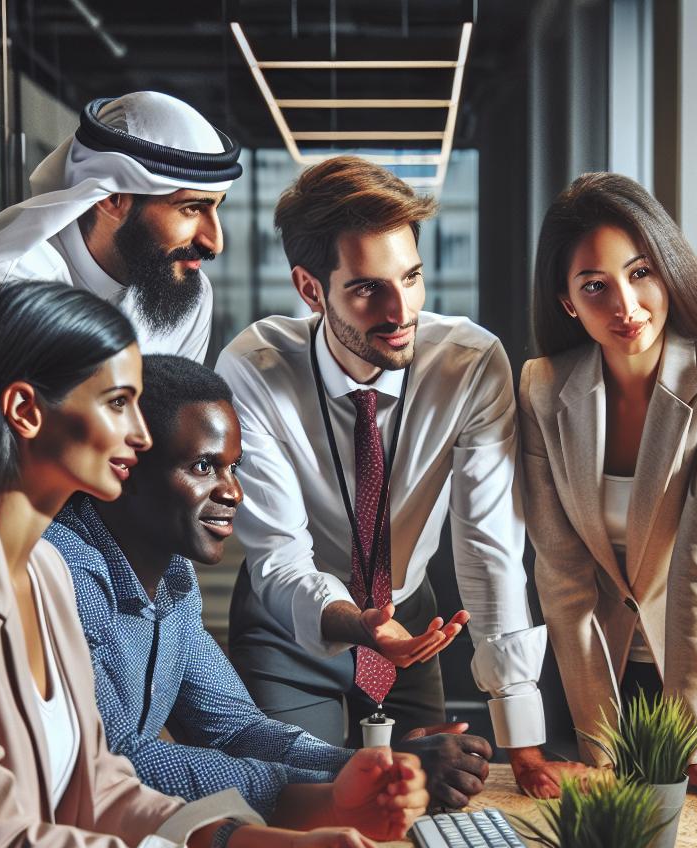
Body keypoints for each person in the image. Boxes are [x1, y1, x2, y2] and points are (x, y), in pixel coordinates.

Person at [0, 281, 426, 848]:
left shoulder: (45, 579)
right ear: (26, 410)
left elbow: (97, 785)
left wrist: (268, 841)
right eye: (118, 403)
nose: (143, 436)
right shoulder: (50, 574)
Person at [216, 156, 587, 806]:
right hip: (291, 629)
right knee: (301, 799)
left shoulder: (469, 365)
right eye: (367, 290)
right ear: (311, 289)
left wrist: (522, 739)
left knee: (432, 804)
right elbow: (278, 557)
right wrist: (357, 624)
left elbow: (489, 547)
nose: (400, 310)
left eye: (411, 278)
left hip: (409, 623)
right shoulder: (254, 368)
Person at [47, 353, 481, 823]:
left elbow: (233, 727)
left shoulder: (175, 578)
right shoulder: (62, 573)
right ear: (124, 465)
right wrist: (331, 785)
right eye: (202, 467)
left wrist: (371, 766)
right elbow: (115, 765)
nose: (233, 492)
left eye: (234, 467)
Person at [519, 172, 697, 800]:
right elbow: (562, 571)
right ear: (566, 301)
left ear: (668, 270)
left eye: (640, 274)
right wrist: (601, 746)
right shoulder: (543, 387)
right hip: (600, 669)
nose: (625, 307)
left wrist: (678, 747)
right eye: (595, 287)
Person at [0, 91, 238, 362]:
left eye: (216, 207)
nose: (215, 243)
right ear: (113, 200)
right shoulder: (9, 296)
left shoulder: (187, 293)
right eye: (191, 209)